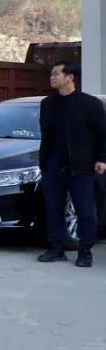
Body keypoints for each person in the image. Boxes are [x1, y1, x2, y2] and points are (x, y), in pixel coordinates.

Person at [37, 60, 106, 267]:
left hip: (81, 166)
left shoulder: (90, 104)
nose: (52, 77)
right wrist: (43, 162)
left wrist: (102, 158)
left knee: (84, 211)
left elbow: (103, 133)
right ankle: (56, 248)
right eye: (51, 74)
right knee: (53, 209)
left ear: (70, 77)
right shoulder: (47, 104)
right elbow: (45, 134)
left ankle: (85, 251)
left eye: (56, 73)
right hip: (52, 165)